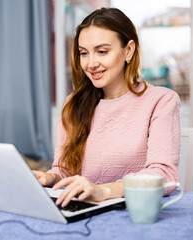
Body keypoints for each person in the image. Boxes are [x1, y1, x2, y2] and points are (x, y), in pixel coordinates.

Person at [33, 8, 181, 208]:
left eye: (102, 51)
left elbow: (165, 175)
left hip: (134, 212)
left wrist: (103, 191)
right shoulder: (73, 105)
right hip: (85, 211)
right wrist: (49, 177)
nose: (91, 63)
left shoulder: (161, 101)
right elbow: (65, 170)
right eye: (84, 53)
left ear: (128, 50)